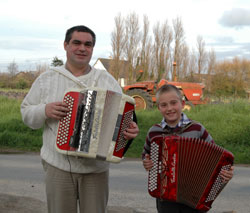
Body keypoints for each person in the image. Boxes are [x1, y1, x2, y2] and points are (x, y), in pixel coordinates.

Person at [21, 25, 139, 213]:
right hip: (57, 166)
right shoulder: (47, 79)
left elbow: (127, 116)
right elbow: (26, 114)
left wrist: (130, 130)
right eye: (76, 43)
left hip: (96, 170)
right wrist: (45, 110)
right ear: (66, 45)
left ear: (92, 48)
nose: (82, 48)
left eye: (88, 44)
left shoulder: (106, 80)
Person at [142, 84, 234, 213]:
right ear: (158, 108)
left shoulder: (197, 129)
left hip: (195, 196)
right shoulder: (154, 132)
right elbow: (146, 154)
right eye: (164, 105)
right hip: (165, 196)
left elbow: (218, 159)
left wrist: (226, 172)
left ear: (182, 103)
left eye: (173, 103)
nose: (169, 108)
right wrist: (147, 162)